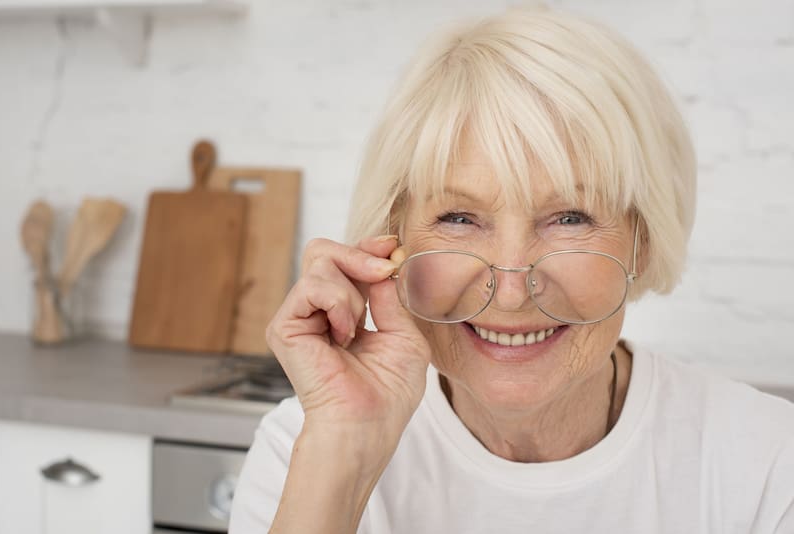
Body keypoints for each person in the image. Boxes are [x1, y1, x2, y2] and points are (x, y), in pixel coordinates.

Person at [229, 6, 794, 534]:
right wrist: (342, 457)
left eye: (570, 217)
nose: (513, 287)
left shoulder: (767, 460)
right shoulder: (307, 447)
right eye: (458, 218)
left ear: (640, 243)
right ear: (392, 247)